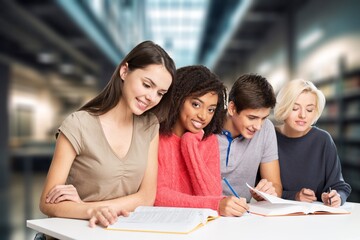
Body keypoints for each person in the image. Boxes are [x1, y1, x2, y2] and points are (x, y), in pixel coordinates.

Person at [39, 40, 176, 227]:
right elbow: (47, 203)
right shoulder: (78, 124)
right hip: (76, 233)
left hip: (119, 231)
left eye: (160, 93)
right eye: (146, 85)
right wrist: (91, 211)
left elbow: (146, 197)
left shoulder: (149, 126)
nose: (152, 98)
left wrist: (85, 206)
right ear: (124, 71)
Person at [154, 65, 249, 217]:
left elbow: (210, 194)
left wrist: (190, 144)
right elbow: (158, 197)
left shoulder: (209, 141)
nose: (203, 116)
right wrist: (215, 205)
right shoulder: (157, 138)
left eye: (211, 109)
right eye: (196, 105)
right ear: (178, 99)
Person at [274, 79, 351, 207]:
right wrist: (295, 196)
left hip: (316, 219)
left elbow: (339, 186)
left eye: (309, 110)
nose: (303, 115)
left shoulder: (323, 140)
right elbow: (261, 189)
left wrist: (337, 197)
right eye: (295, 108)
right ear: (284, 107)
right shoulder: (270, 137)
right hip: (276, 217)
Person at [217, 73, 282, 203]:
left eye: (263, 118)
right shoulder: (206, 125)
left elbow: (276, 187)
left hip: (243, 213)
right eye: (252, 118)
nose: (258, 126)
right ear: (232, 108)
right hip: (206, 211)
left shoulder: (266, 128)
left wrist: (268, 192)